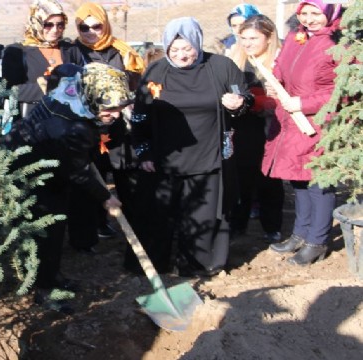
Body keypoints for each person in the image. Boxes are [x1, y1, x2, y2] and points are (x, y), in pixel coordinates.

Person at [3, 62, 131, 311]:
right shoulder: (74, 127)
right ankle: (44, 290)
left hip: (47, 165)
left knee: (56, 229)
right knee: (46, 233)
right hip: (33, 176)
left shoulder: (71, 93)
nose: (115, 114)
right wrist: (106, 197)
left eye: (119, 108)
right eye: (110, 108)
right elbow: (80, 173)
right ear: (93, 97)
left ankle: (52, 276)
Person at [131, 17, 252, 277]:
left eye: (187, 48)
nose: (182, 56)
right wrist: (144, 152)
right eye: (174, 50)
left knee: (204, 215)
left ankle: (200, 264)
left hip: (210, 155)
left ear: (197, 42)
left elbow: (245, 98)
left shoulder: (221, 67)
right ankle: (157, 263)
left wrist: (238, 103)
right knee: (159, 215)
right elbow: (140, 114)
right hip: (166, 158)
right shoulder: (156, 71)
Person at [263, 0, 342, 265]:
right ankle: (300, 232)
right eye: (304, 13)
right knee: (298, 180)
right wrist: (275, 83)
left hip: (319, 122)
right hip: (291, 121)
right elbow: (280, 69)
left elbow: (341, 91)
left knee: (318, 182)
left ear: (330, 12)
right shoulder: (296, 38)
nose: (309, 19)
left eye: (315, 13)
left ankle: (317, 240)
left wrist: (303, 103)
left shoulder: (338, 42)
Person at [67, 2, 145, 252]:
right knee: (95, 174)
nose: (91, 31)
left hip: (117, 122)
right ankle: (98, 225)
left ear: (105, 25)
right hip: (88, 124)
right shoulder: (73, 51)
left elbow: (135, 82)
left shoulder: (119, 50)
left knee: (125, 170)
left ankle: (135, 221)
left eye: (96, 25)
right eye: (84, 26)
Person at [228, 14, 285, 243]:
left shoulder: (280, 61)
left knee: (269, 179)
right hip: (243, 126)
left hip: (272, 127)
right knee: (242, 177)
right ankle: (237, 224)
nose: (247, 43)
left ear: (269, 38)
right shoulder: (236, 60)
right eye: (243, 38)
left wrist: (270, 98)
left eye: (253, 38)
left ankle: (272, 226)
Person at [1, 0, 83, 119]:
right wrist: (49, 87)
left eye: (60, 24)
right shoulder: (17, 52)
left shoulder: (70, 49)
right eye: (48, 25)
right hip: (34, 122)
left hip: (70, 119)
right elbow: (9, 90)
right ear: (36, 23)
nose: (55, 30)